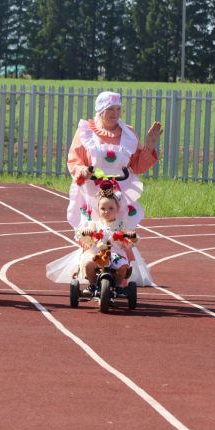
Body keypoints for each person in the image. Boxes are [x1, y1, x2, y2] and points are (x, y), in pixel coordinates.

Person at [65, 91, 161, 285]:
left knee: (119, 228)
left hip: (120, 191)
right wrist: (82, 169)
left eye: (118, 109)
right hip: (92, 190)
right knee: (92, 228)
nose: (115, 113)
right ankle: (89, 269)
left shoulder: (128, 133)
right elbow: (74, 159)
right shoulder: (86, 131)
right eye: (110, 109)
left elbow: (137, 166)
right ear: (100, 111)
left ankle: (120, 273)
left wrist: (149, 146)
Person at [45, 180, 136, 293]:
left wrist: (130, 236)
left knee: (123, 267)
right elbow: (86, 233)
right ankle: (92, 284)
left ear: (117, 209)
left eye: (110, 208)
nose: (106, 212)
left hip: (114, 253)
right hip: (97, 252)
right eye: (103, 208)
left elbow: (129, 237)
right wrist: (87, 231)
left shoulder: (121, 224)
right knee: (88, 264)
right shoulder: (95, 223)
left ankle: (117, 286)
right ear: (98, 209)